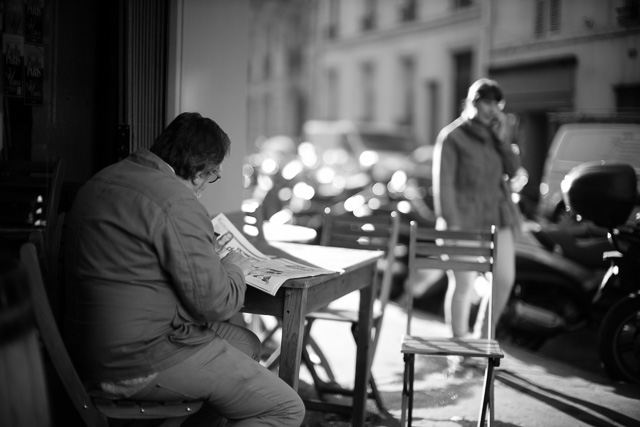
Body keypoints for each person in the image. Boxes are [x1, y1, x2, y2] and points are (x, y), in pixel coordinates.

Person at [63, 112, 305, 426]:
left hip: (86, 345)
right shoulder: (177, 201)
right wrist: (233, 267)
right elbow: (216, 305)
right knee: (286, 409)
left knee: (246, 344)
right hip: (135, 361)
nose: (209, 182)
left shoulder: (104, 178)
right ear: (200, 171)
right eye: (213, 174)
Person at [432, 78, 522, 366]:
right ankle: (460, 349)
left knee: (505, 279)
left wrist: (502, 139)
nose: (491, 109)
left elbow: (514, 170)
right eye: (486, 102)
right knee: (463, 285)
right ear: (472, 102)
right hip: (464, 221)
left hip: (498, 217)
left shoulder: (495, 135)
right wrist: (452, 225)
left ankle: (482, 340)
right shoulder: (452, 136)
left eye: (497, 103)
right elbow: (443, 185)